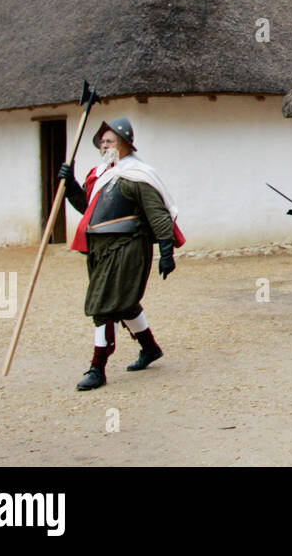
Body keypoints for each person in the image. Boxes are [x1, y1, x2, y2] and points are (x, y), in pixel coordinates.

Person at [59, 117, 184, 391]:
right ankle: (150, 349)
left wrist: (166, 252)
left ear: (125, 144)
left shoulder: (137, 175)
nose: (104, 145)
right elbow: (88, 209)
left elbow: (158, 213)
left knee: (103, 305)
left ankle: (97, 368)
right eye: (102, 141)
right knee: (123, 303)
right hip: (100, 248)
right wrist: (71, 186)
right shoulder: (100, 173)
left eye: (110, 140)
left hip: (128, 247)